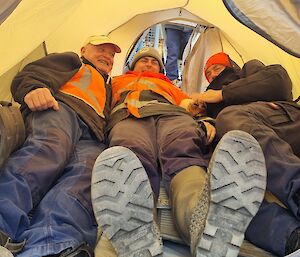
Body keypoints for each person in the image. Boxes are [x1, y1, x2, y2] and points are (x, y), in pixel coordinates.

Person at [90, 47, 267, 257]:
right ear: (132, 64)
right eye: (143, 60)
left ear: (161, 68)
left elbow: (190, 105)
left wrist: (204, 121)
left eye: (153, 62)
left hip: (172, 115)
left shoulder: (169, 85)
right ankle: (132, 235)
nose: (148, 64)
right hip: (128, 115)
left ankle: (199, 220)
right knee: (129, 156)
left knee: (185, 151)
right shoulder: (114, 81)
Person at [0, 35, 121, 257]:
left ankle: (53, 242)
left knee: (85, 176)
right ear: (84, 50)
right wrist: (33, 88)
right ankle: (3, 224)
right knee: (49, 150)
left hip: (93, 134)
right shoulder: (74, 61)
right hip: (60, 108)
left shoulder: (110, 87)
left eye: (112, 54)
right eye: (101, 49)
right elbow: (30, 74)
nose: (108, 56)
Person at [193, 52, 300, 256]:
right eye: (208, 73)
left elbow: (278, 81)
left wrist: (222, 95)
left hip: (283, 121)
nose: (213, 74)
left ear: (230, 66)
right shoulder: (204, 99)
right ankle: (290, 237)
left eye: (217, 68)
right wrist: (204, 122)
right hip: (242, 141)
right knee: (223, 186)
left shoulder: (247, 70)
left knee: (231, 116)